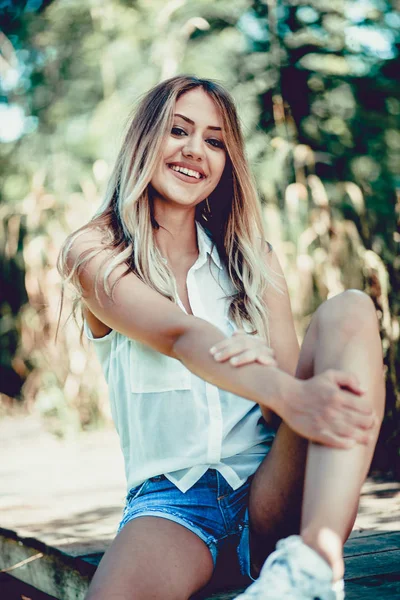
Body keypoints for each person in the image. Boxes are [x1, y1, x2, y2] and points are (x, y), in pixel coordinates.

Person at [58, 75, 385, 600]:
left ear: (227, 161)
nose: (195, 151)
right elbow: (178, 334)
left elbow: (287, 415)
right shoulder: (96, 252)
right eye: (178, 131)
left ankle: (315, 563)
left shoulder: (254, 261)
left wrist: (271, 381)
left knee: (351, 308)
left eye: (214, 141)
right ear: (144, 139)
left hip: (268, 492)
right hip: (174, 505)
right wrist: (277, 387)